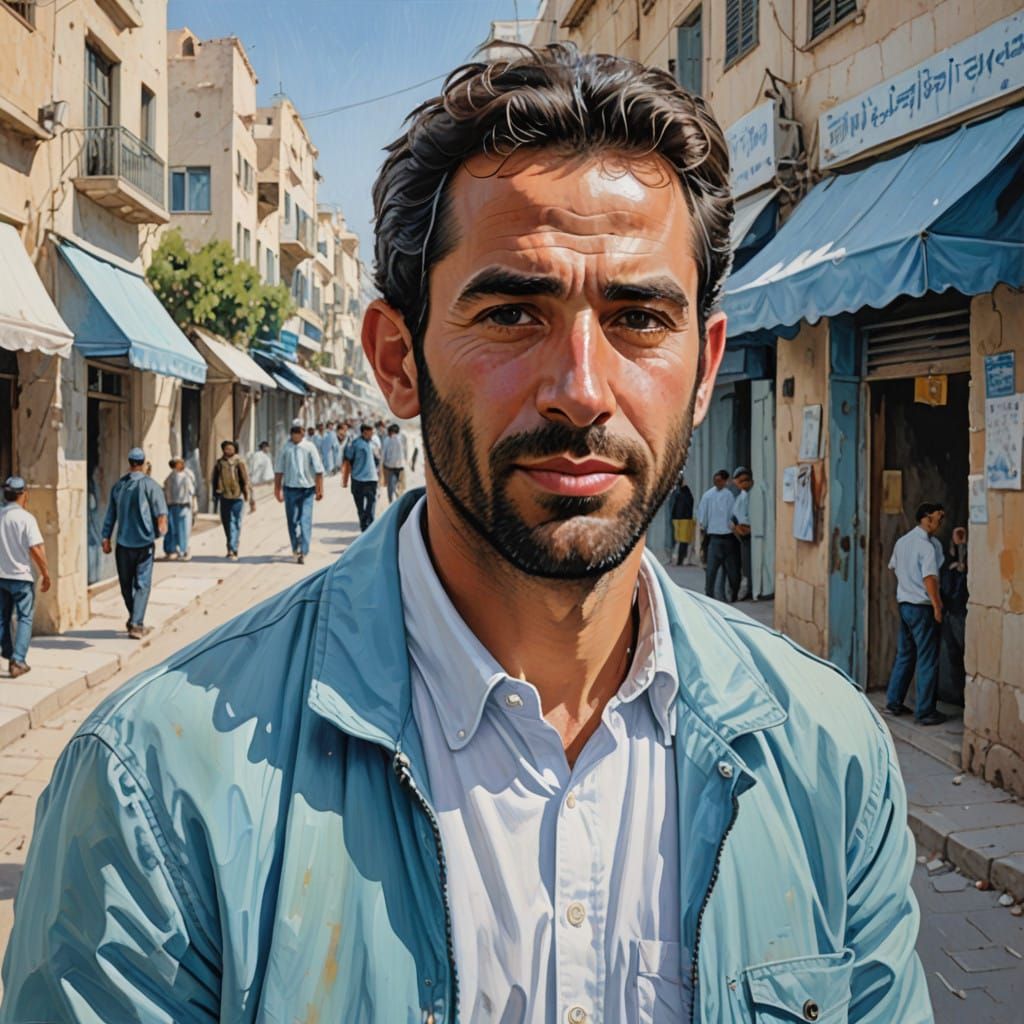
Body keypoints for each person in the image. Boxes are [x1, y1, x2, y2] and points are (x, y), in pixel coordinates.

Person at [2, 46, 929, 1023]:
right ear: (398, 360)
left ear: (703, 370)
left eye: (637, 318)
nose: (579, 387)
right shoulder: (160, 786)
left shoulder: (828, 760)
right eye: (514, 312)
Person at [884, 502, 947, 725]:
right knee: (927, 659)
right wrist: (937, 606)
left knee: (906, 654)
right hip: (922, 606)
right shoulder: (927, 547)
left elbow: (894, 567)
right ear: (926, 518)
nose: (940, 523)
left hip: (905, 605)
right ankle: (925, 711)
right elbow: (929, 578)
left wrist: (906, 588)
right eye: (938, 518)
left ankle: (893, 702)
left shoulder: (902, 542)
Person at [100, 447, 167, 639]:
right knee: (142, 584)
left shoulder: (119, 486)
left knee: (125, 584)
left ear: (130, 463)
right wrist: (161, 531)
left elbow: (110, 514)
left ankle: (134, 618)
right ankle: (137, 623)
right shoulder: (150, 485)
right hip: (144, 544)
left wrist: (105, 537)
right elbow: (161, 514)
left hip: (123, 544)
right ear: (144, 463)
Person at [0, 476, 50, 678]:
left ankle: (9, 652)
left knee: (2, 618)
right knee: (24, 618)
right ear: (23, 495)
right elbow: (35, 549)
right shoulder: (26, 518)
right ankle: (18, 661)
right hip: (21, 577)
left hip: (1, 576)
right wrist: (45, 573)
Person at [274, 418, 324, 564]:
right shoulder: (285, 448)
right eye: (294, 432)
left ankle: (304, 550)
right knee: (292, 521)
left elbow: (318, 470)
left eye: (299, 431)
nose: (297, 435)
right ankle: (295, 547)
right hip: (290, 489)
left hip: (307, 490)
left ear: (303, 433)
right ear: (291, 433)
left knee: (305, 520)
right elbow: (279, 470)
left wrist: (320, 489)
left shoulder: (309, 447)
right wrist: (277, 489)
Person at [696, 469, 740, 602]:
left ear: (725, 481)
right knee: (716, 569)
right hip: (718, 537)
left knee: (717, 569)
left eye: (719, 480)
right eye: (716, 480)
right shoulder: (727, 496)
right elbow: (733, 515)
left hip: (722, 537)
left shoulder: (711, 495)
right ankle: (727, 594)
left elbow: (702, 518)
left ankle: (717, 594)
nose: (717, 482)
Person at [939, 525, 968, 705]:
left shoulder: (967, 555)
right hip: (950, 611)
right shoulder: (947, 558)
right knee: (953, 655)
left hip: (959, 612)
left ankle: (963, 695)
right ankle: (958, 695)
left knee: (962, 653)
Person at [211, 440, 254, 561]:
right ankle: (230, 545)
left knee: (235, 522)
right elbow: (214, 479)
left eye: (231, 448)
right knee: (226, 522)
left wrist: (249, 496)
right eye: (226, 448)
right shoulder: (219, 463)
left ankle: (233, 548)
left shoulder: (239, 462)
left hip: (237, 497)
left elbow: (246, 479)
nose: (228, 450)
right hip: (224, 496)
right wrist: (215, 494)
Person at [342, 423, 380, 531]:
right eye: (369, 432)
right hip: (358, 479)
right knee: (360, 506)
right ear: (363, 432)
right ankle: (364, 526)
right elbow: (348, 457)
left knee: (371, 503)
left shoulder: (373, 444)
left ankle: (369, 524)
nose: (371, 434)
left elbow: (378, 459)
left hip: (371, 479)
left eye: (372, 432)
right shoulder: (355, 444)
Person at [162, 457, 196, 561]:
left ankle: (184, 550)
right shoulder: (170, 477)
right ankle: (171, 550)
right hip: (172, 505)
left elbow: (192, 492)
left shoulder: (188, 475)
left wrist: (194, 506)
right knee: (172, 529)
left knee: (184, 529)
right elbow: (166, 490)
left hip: (184, 505)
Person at [730, 465, 754, 600]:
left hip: (750, 533)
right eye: (741, 481)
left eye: (746, 480)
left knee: (749, 564)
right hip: (741, 534)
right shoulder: (740, 498)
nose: (744, 483)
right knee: (744, 564)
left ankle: (750, 589)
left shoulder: (752, 496)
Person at [668, 471, 694, 566]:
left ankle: (680, 559)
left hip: (681, 519)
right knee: (682, 540)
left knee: (682, 541)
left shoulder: (682, 492)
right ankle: (679, 559)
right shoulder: (682, 492)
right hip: (682, 518)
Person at [381, 423, 407, 504]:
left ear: (391, 432)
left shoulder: (387, 440)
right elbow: (406, 450)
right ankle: (399, 502)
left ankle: (391, 502)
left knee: (390, 487)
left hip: (390, 467)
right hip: (401, 467)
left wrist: (382, 465)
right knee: (400, 488)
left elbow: (383, 454)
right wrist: (407, 461)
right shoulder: (402, 438)